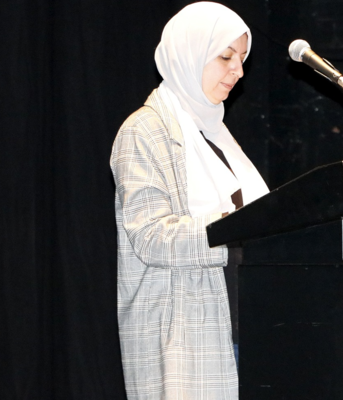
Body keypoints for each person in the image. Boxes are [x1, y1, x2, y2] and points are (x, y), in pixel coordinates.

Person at [110, 2, 269, 399]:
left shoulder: (215, 133)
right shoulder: (144, 131)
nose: (238, 71)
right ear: (190, 54)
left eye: (242, 58)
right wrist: (235, 226)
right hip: (182, 337)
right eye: (226, 56)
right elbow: (151, 236)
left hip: (242, 326)